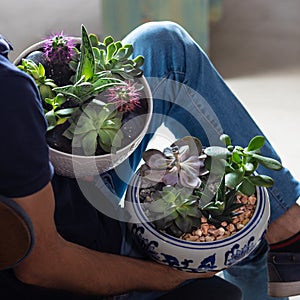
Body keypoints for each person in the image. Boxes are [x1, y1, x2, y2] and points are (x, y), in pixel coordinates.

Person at [0, 20, 299, 300]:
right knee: (239, 258)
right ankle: (279, 245)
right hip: (74, 240)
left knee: (163, 47)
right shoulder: (9, 91)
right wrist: (165, 276)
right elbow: (41, 266)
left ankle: (285, 230)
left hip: (54, 184)